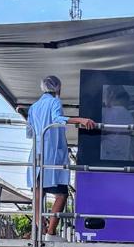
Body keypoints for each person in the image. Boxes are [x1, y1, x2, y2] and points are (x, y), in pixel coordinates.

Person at [25, 75, 95, 236]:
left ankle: (38, 228)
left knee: (38, 192)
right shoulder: (55, 102)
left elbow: (29, 132)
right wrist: (81, 120)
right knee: (61, 195)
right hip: (52, 155)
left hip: (36, 153)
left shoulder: (34, 107)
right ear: (58, 88)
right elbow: (57, 119)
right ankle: (50, 231)